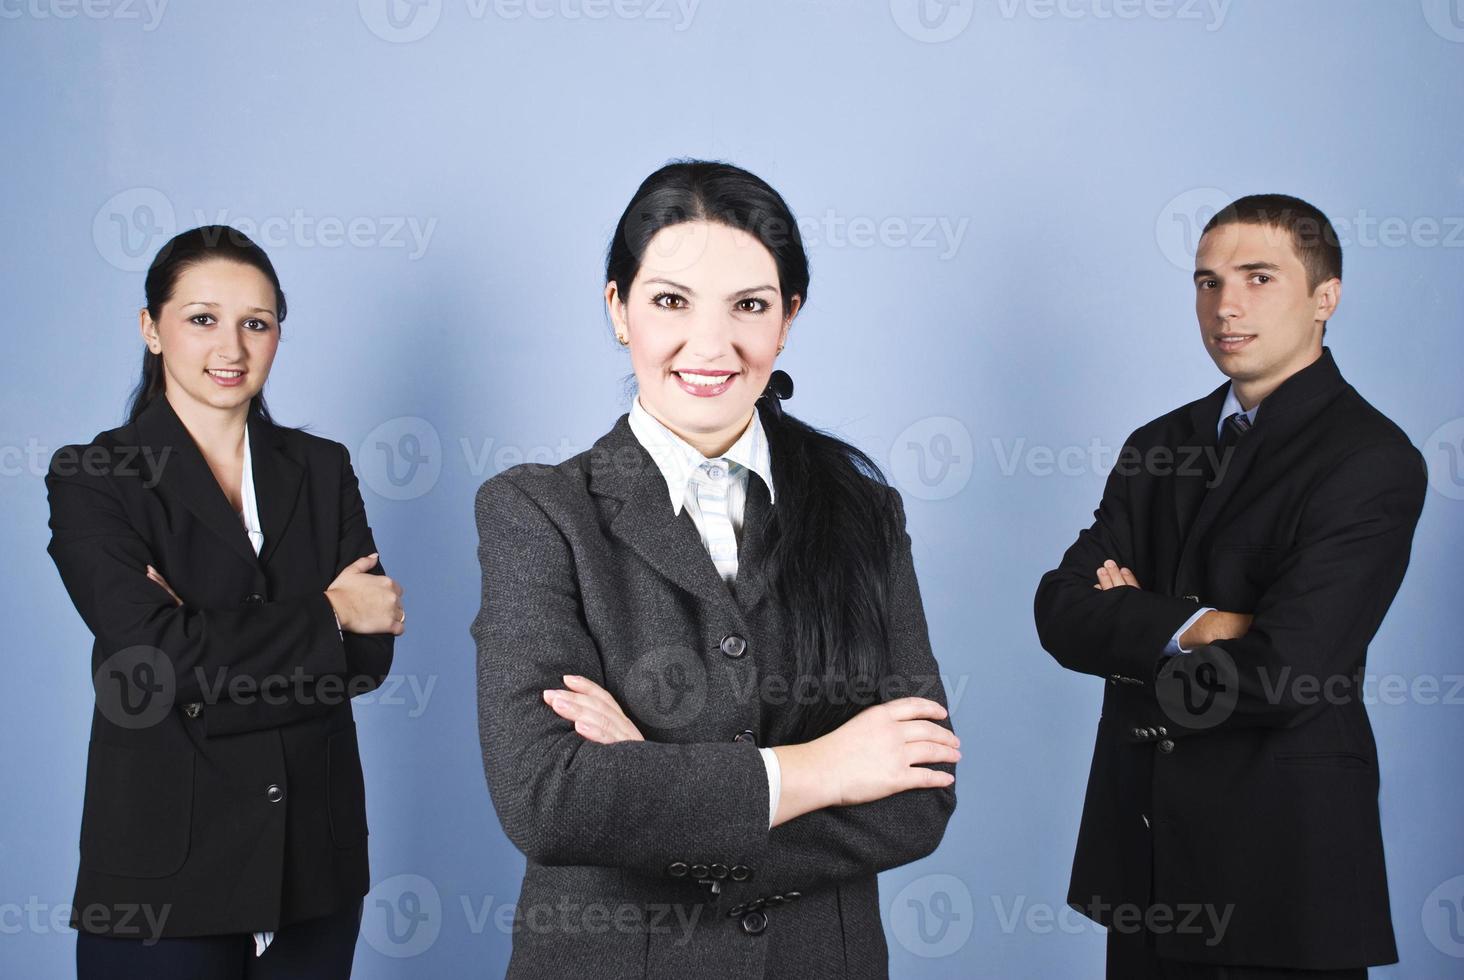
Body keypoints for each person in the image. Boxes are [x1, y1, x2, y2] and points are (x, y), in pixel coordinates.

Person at [471, 160, 959, 979]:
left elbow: (918, 799)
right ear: (617, 309)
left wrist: (648, 785)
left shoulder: (866, 516)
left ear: (788, 318)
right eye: (670, 301)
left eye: (750, 306)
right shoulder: (538, 511)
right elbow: (550, 798)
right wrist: (822, 769)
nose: (710, 344)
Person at [1033, 194, 1427, 978]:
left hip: (1280, 871)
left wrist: (1139, 633)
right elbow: (1061, 611)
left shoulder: (1369, 459)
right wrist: (1207, 626)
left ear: (1326, 297)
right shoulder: (1159, 443)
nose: (1226, 306)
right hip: (1145, 862)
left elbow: (1288, 673)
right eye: (1208, 282)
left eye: (1257, 278)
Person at [46, 225, 404, 979]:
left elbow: (370, 659)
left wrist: (204, 645)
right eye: (202, 318)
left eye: (257, 323)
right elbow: (156, 662)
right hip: (165, 872)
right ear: (152, 328)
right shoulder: (94, 475)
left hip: (315, 863)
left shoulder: (322, 467)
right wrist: (328, 616)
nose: (231, 348)